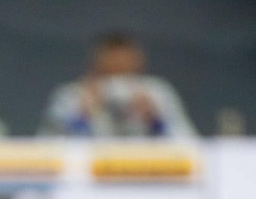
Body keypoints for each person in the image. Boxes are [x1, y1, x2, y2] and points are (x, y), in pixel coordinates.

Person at [39, 31, 198, 138]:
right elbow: (47, 150)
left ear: (138, 60)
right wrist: (82, 117)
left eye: (124, 58)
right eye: (111, 57)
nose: (118, 63)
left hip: (147, 176)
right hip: (88, 178)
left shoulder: (157, 92)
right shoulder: (72, 95)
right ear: (95, 60)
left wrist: (155, 120)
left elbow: (189, 146)